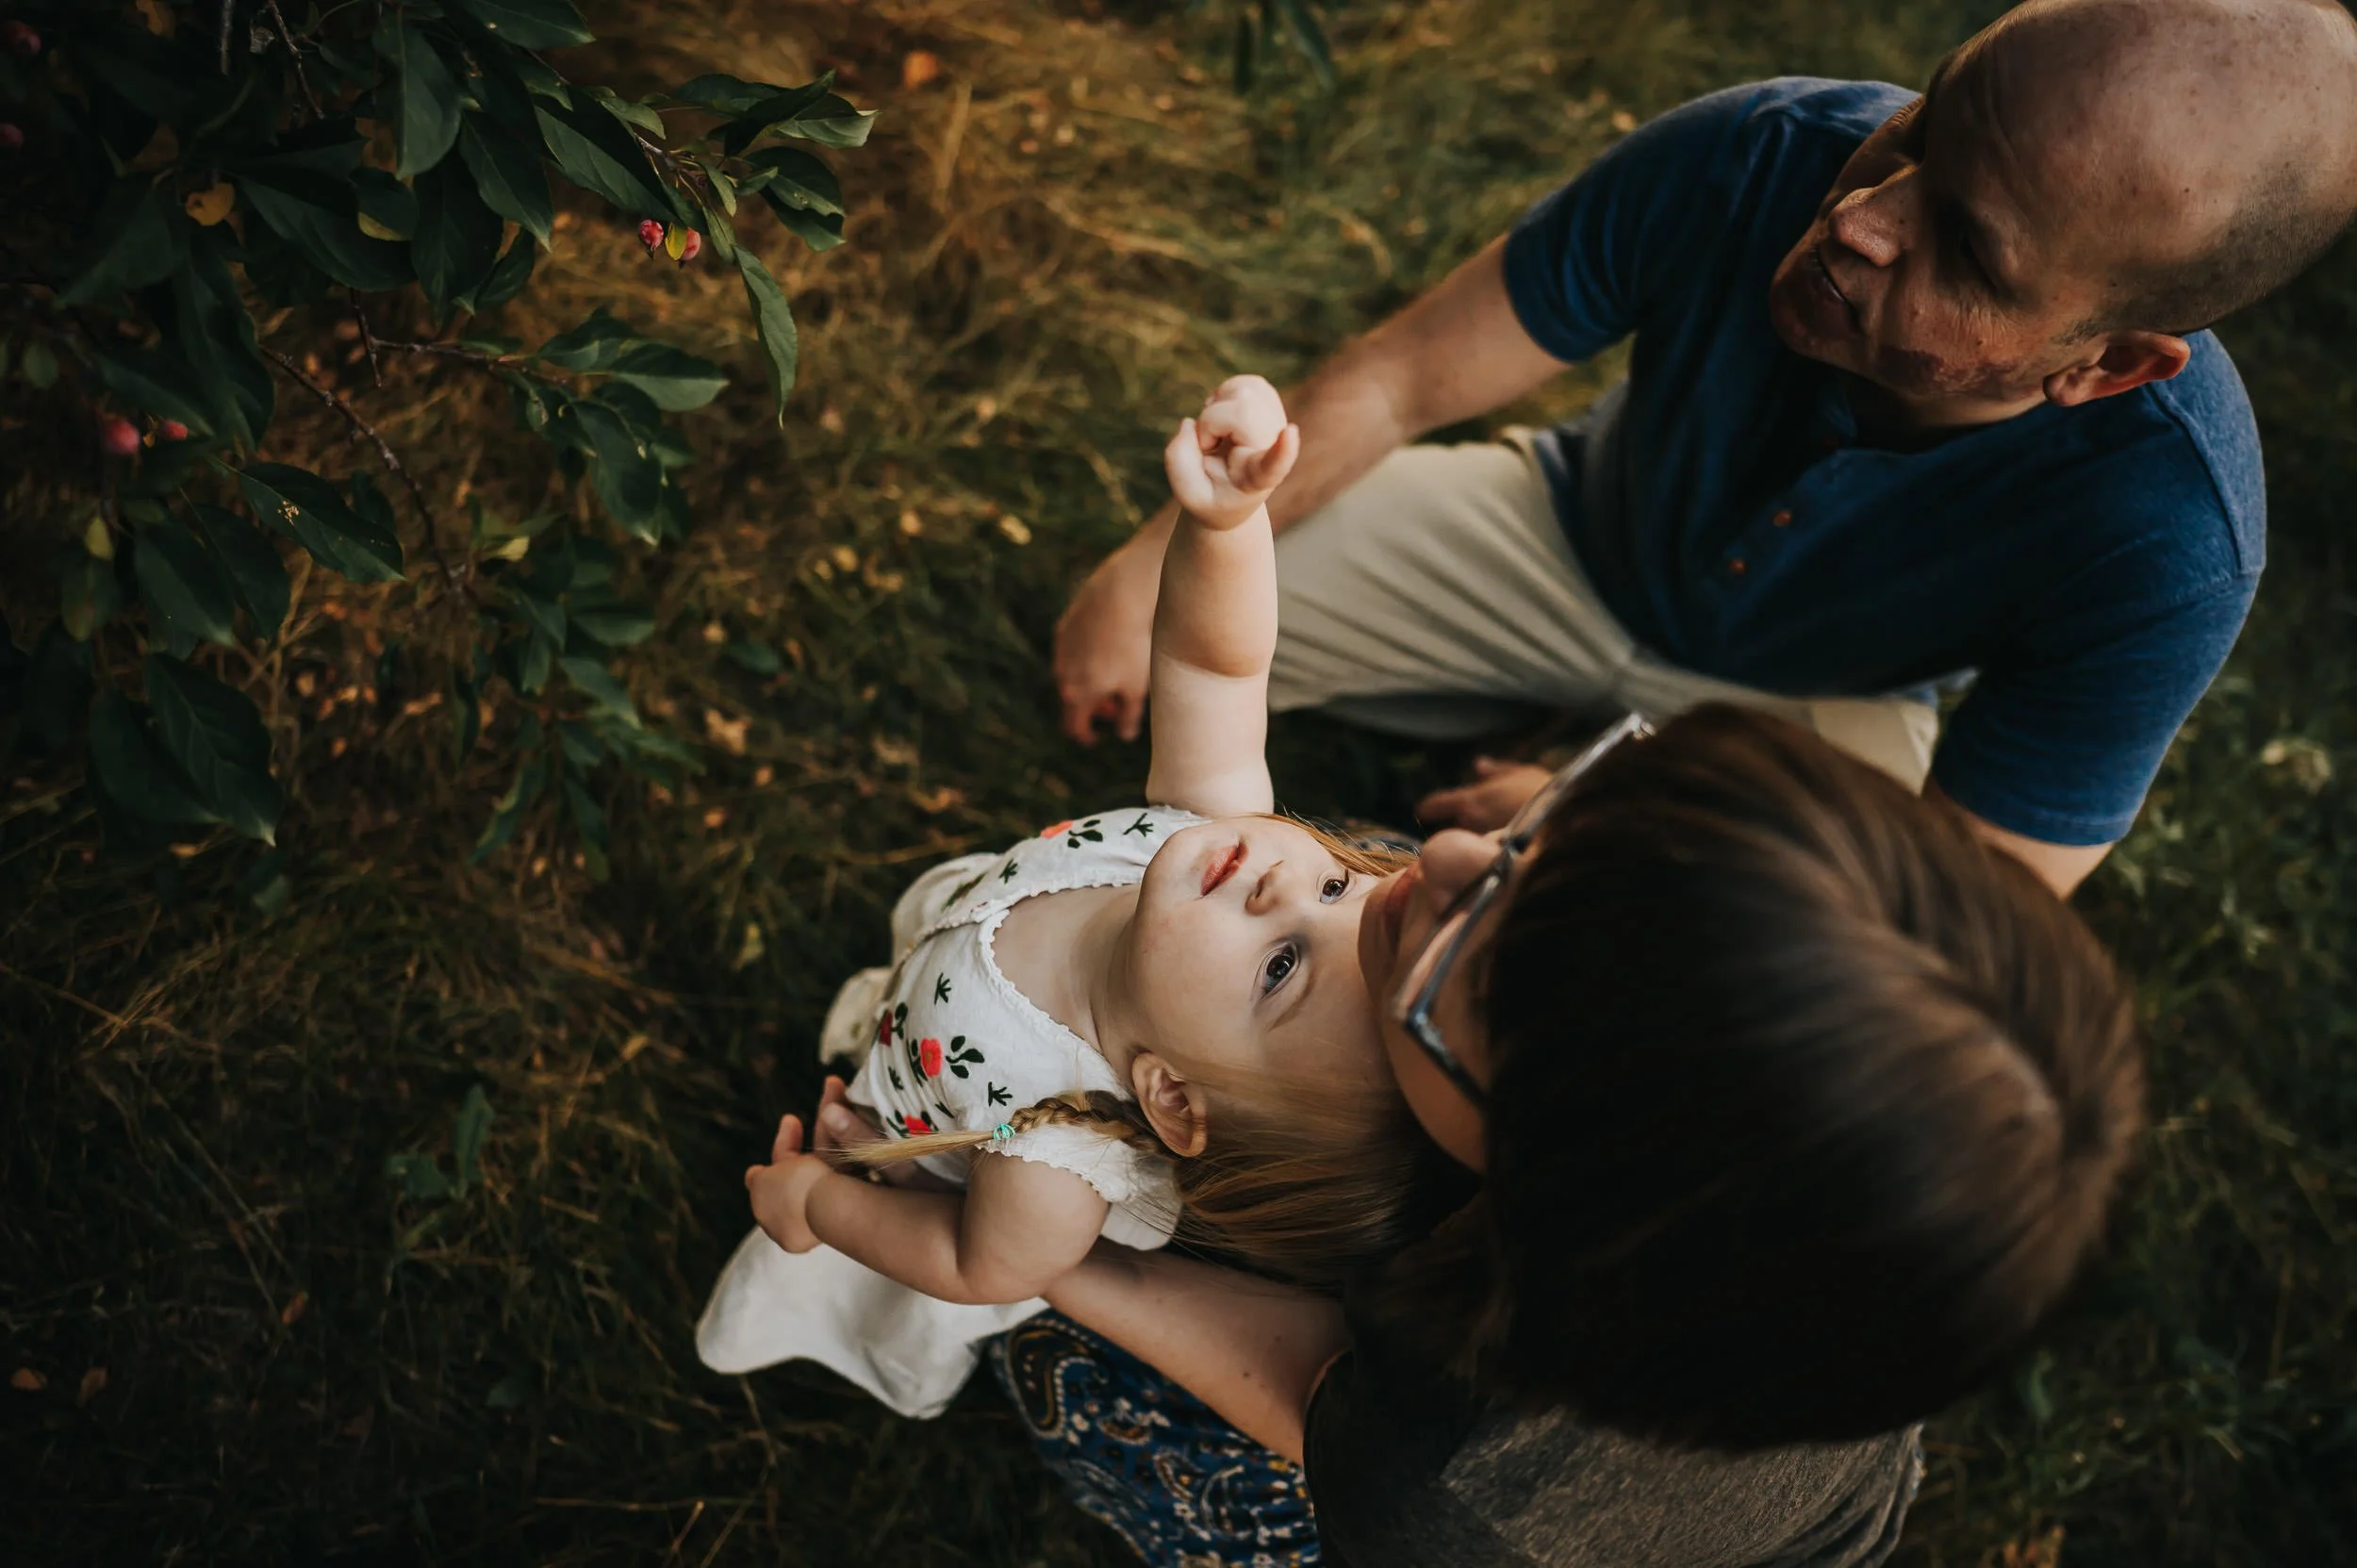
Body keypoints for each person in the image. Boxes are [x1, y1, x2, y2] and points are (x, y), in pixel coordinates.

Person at [1051, 0, 2357, 898]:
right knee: (1191, 633)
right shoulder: (1758, 148)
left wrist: (1599, 821)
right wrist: (1153, 561)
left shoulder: (2176, 531)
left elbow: (1980, 891)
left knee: (1794, 960)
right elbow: (1399, 380)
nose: (1860, 217)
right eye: (1924, 126)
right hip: (1562, 535)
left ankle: (1576, 760)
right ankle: (1538, 726)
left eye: (1965, 247)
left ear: (2106, 363)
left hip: (1816, 723)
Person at [952, 704, 2147, 1567]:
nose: (1446, 854)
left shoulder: (1450, 1488)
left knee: (1085, 1357)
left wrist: (1061, 1250)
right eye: (1541, 840)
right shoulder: (1841, 1195)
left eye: (1463, 981)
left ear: (1531, 1196)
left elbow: (1313, 1385)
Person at [697, 377, 1430, 1419]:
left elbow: (974, 1263)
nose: (1281, 882)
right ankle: (888, 1013)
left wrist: (816, 1198)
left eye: (1280, 968)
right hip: (950, 985)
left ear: (1171, 1096)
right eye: (1332, 880)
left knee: (881, 1184)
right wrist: (1225, 521)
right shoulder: (1201, 837)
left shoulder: (1052, 1152)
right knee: (916, 989)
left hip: (930, 1131)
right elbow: (1217, 664)